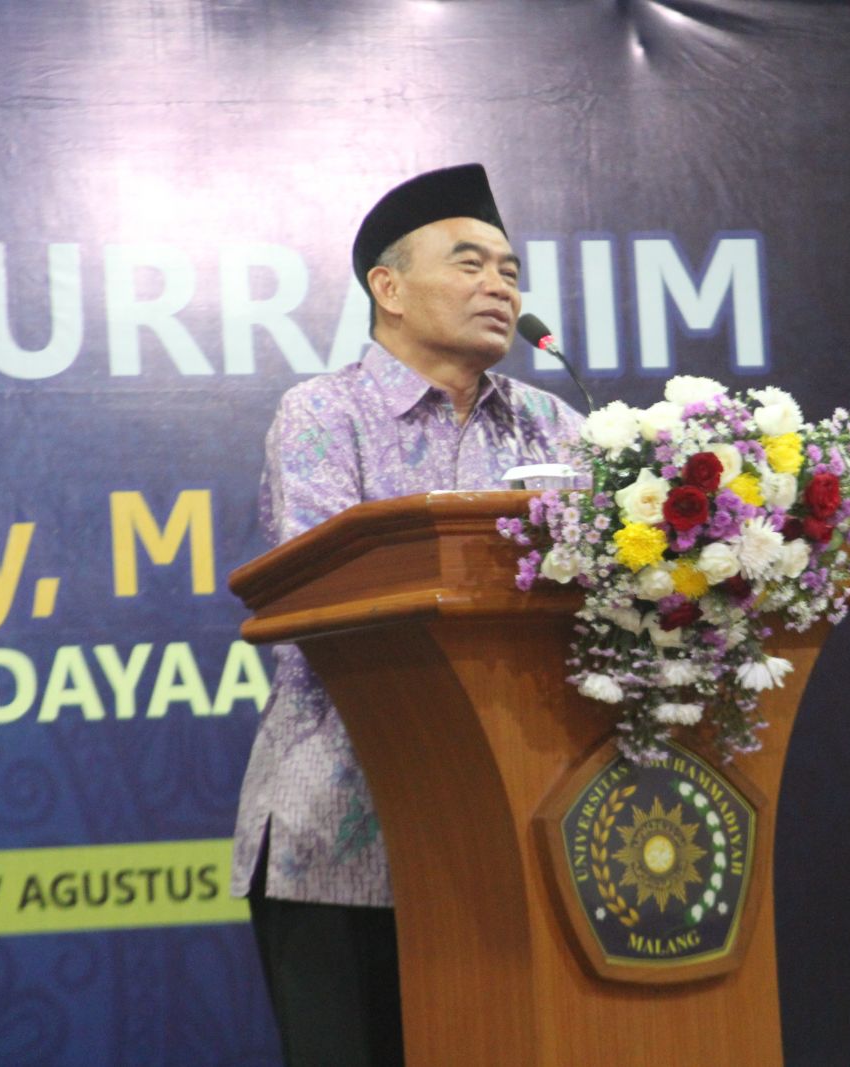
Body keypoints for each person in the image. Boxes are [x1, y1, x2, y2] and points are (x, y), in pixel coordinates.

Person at [230, 164, 583, 1066]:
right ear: (387, 288)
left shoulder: (557, 428)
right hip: (342, 835)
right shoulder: (323, 414)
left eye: (509, 269)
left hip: (514, 834)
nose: (500, 285)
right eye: (470, 263)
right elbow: (322, 602)